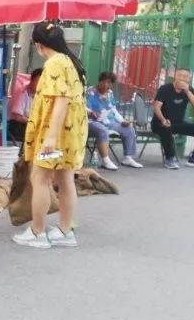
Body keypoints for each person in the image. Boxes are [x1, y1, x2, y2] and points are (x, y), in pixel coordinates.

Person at [12, 22, 87, 249]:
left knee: (40, 178)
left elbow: (61, 100)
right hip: (69, 134)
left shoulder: (54, 63)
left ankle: (37, 232)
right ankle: (65, 230)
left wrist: (51, 138)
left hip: (55, 135)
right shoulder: (70, 61)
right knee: (65, 179)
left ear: (38, 45)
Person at [86, 71, 143, 170]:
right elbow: (84, 107)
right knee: (102, 130)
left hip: (109, 121)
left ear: (112, 84)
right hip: (93, 121)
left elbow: (113, 110)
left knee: (128, 129)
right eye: (103, 82)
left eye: (109, 83)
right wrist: (91, 112)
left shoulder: (110, 93)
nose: (106, 85)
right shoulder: (90, 91)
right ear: (99, 81)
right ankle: (105, 160)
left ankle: (128, 158)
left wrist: (122, 121)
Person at [151, 68, 194, 169]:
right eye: (179, 75)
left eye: (185, 76)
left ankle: (192, 158)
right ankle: (170, 159)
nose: (182, 78)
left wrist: (187, 91)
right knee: (166, 128)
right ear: (175, 76)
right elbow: (156, 107)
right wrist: (163, 120)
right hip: (159, 123)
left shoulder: (189, 90)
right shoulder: (165, 89)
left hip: (178, 123)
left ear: (189, 79)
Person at [8, 68, 43, 144]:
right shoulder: (23, 93)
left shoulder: (39, 96)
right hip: (17, 126)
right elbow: (17, 117)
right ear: (32, 80)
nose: (41, 85)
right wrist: (34, 122)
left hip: (30, 125)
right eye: (39, 82)